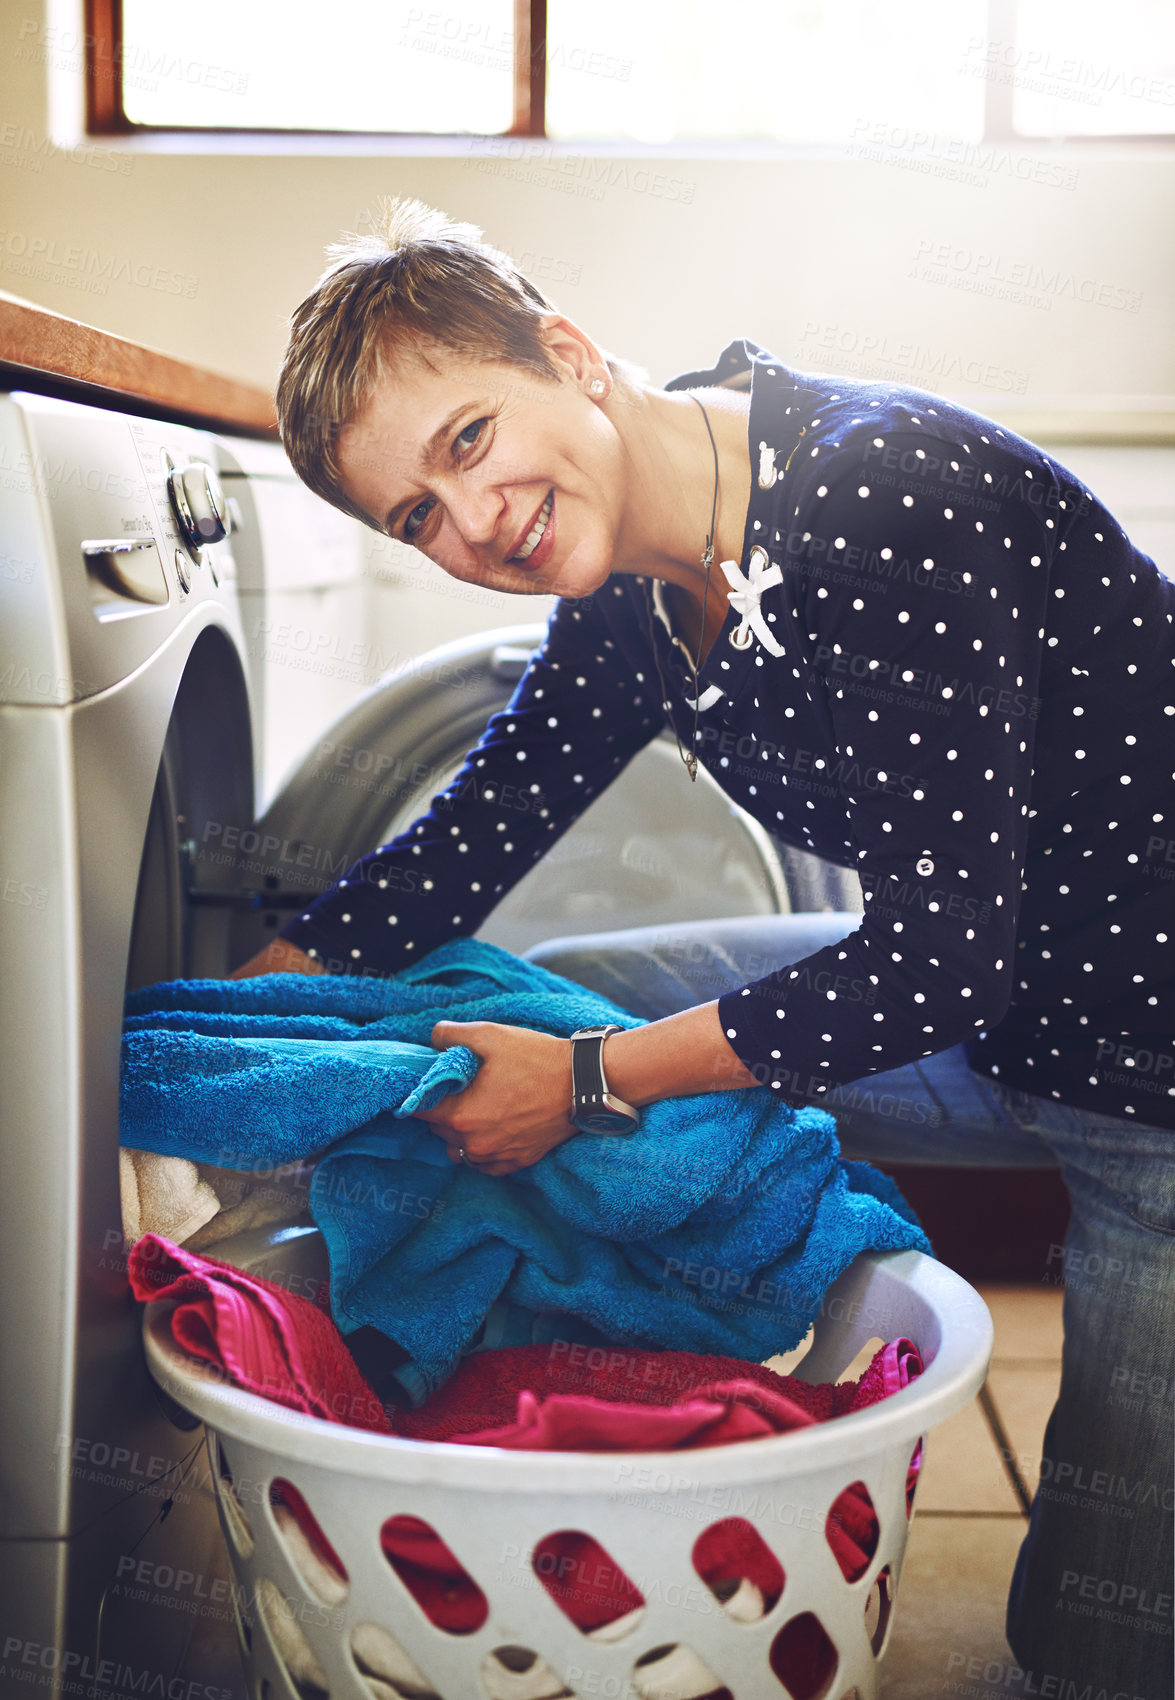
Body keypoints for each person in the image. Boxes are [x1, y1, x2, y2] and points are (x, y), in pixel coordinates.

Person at [233, 197, 1174, 1693]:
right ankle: (611, 1366)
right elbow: (484, 827)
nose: (473, 523)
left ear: (569, 353)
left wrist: (595, 1083)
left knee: (1103, 1647)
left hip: (1149, 1071)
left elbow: (936, 960)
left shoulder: (878, 500)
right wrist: (254, 1011)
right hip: (987, 1012)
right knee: (523, 1012)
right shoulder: (627, 589)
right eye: (417, 514)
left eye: (469, 440)